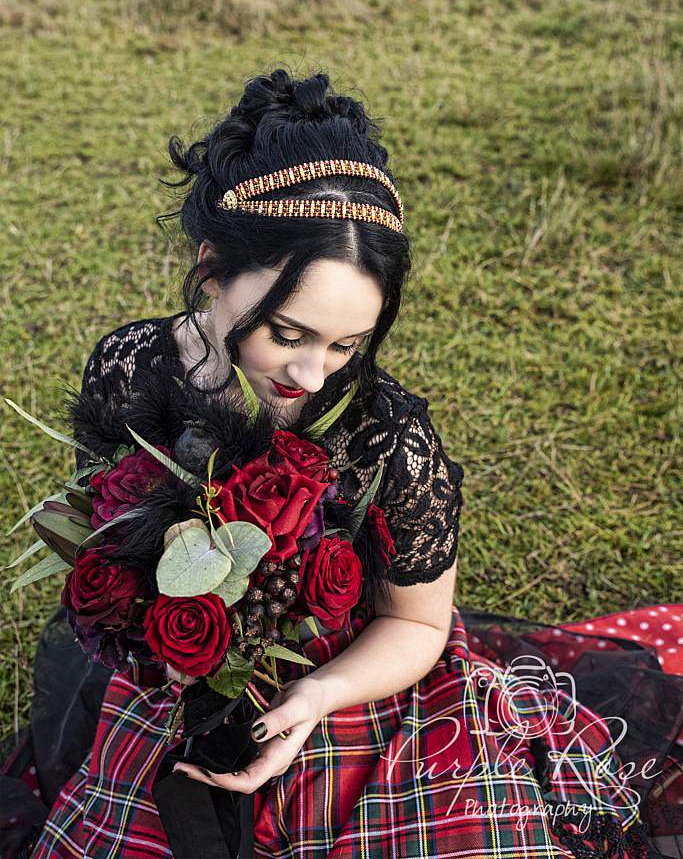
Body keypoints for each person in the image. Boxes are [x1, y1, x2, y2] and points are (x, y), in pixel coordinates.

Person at [1, 68, 681, 859]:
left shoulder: (385, 434)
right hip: (174, 678)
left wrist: (314, 694)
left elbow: (418, 621)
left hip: (345, 685)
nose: (312, 375)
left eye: (346, 344)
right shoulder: (131, 373)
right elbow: (110, 519)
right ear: (212, 266)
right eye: (287, 334)